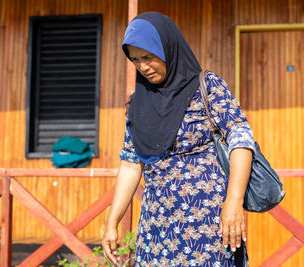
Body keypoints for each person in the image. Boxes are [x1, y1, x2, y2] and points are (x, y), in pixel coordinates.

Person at [102, 12, 255, 266]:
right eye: (136, 60)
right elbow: (131, 163)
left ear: (168, 49)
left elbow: (241, 141)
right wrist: (111, 222)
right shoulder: (138, 103)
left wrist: (234, 202)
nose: (143, 67)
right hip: (157, 232)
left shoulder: (207, 87)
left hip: (210, 230)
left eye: (149, 57)